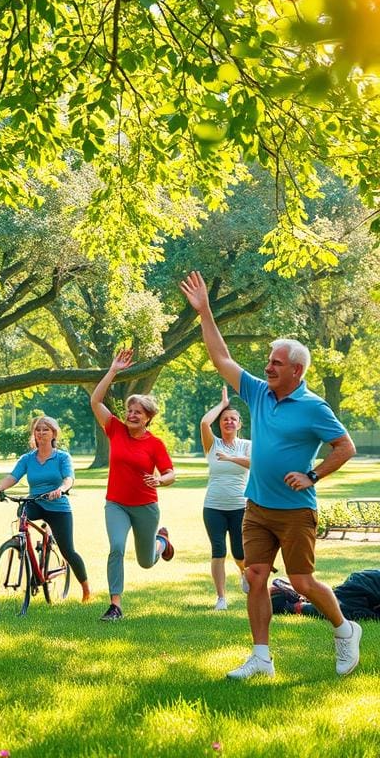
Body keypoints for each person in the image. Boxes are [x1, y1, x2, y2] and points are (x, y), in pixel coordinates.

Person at [181, 270, 360, 678]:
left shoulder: (314, 407)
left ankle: (345, 629)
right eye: (268, 361)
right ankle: (261, 658)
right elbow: (221, 358)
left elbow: (345, 446)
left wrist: (312, 476)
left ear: (296, 370)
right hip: (257, 507)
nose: (268, 367)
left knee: (302, 582)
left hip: (296, 511)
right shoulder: (259, 391)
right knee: (257, 575)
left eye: (276, 363)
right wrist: (205, 311)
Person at [90, 349, 176, 622]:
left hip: (145, 507)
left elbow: (170, 473)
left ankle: (161, 541)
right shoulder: (115, 429)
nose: (131, 414)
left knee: (146, 561)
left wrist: (160, 480)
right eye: (129, 410)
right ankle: (115, 605)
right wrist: (113, 370)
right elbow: (96, 400)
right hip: (116, 503)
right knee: (116, 546)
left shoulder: (155, 444)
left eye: (138, 412)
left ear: (148, 417)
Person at [0, 415, 91, 601]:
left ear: (53, 434)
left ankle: (86, 589)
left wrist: (61, 489)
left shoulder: (62, 457)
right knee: (22, 514)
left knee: (68, 550)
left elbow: (69, 479)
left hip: (58, 507)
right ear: (33, 434)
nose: (41, 433)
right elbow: (13, 477)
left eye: (46, 429)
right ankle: (23, 548)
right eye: (38, 429)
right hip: (35, 502)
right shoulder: (28, 459)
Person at [200, 385, 251, 610]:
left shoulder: (247, 446)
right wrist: (222, 405)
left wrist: (231, 458)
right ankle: (221, 598)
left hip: (240, 507)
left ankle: (243, 572)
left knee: (239, 552)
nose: (228, 422)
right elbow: (203, 423)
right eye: (224, 419)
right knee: (218, 550)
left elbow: (255, 464)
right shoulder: (212, 445)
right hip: (213, 507)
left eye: (233, 419)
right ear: (219, 424)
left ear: (240, 424)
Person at [271, 571, 380, 622]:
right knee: (340, 611)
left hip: (364, 583)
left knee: (340, 606)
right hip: (365, 586)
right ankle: (291, 605)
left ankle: (300, 597)